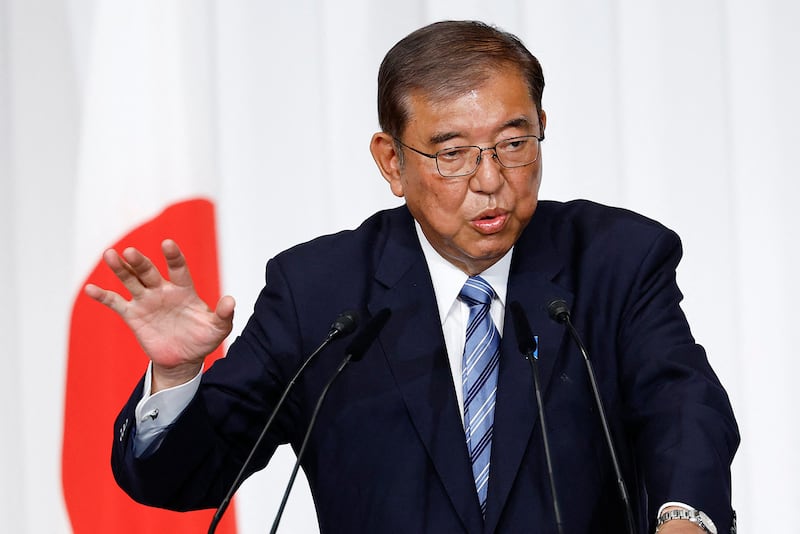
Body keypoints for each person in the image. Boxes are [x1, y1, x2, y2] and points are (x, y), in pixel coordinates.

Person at [87, 20, 739, 534]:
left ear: (543, 129)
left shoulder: (615, 258)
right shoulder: (321, 292)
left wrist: (685, 517)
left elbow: (682, 403)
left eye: (514, 144)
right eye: (452, 153)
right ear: (392, 162)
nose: (491, 180)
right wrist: (175, 377)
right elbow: (186, 477)